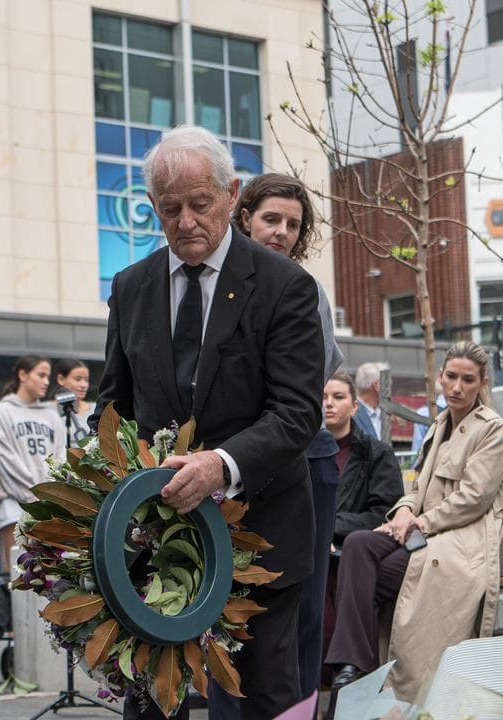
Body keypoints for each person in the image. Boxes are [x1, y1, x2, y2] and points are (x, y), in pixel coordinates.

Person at [93, 125, 325, 720]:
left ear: (232, 196)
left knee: (261, 696)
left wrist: (221, 465)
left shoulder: (285, 287)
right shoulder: (131, 287)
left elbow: (297, 412)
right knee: (151, 698)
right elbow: (112, 409)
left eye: (200, 204)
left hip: (263, 528)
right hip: (155, 534)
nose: (186, 221)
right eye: (170, 209)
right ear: (153, 207)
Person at [326, 341, 503, 702]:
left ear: (482, 383)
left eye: (468, 379)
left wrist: (419, 523)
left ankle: (357, 675)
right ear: (441, 378)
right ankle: (351, 666)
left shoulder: (492, 430)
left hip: (459, 540)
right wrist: (405, 512)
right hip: (422, 532)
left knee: (362, 578)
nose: (458, 387)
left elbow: (473, 499)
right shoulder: (438, 426)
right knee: (357, 543)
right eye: (452, 377)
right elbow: (417, 486)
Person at [232, 172, 344, 706]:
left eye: (293, 225)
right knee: (224, 614)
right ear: (245, 217)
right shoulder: (216, 283)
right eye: (270, 219)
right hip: (228, 468)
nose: (281, 232)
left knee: (297, 613)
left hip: (306, 458)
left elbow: (313, 379)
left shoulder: (305, 291)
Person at [0, 355, 64, 573]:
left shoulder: (52, 416)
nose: (46, 381)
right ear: (22, 375)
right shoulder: (2, 412)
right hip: (13, 504)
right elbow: (4, 462)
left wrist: (50, 497)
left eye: (48, 376)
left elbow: (60, 459)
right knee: (19, 572)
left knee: (50, 575)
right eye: (40, 375)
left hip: (48, 505)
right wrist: (33, 496)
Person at [324, 370, 404, 548]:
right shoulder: (301, 452)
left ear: (354, 407)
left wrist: (328, 526)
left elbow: (384, 513)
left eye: (338, 397)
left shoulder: (378, 454)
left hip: (351, 551)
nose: (329, 403)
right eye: (323, 397)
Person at [47, 358, 93, 447]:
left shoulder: (96, 410)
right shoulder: (45, 410)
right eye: (78, 379)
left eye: (86, 380)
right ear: (61, 379)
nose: (84, 385)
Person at [353, 361, 389, 440]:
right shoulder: (351, 414)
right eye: (387, 383)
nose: (389, 388)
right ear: (377, 386)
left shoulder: (384, 413)